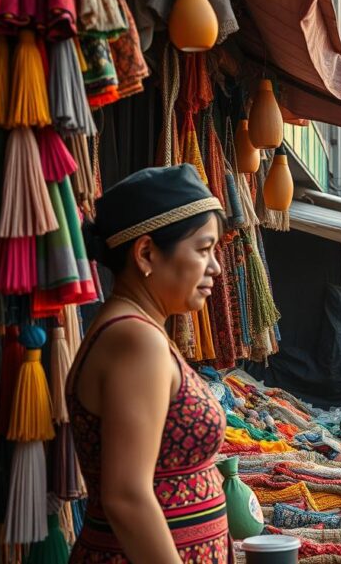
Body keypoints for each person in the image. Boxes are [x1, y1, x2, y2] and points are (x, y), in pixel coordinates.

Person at [66, 164, 229, 562]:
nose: (216, 268)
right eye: (204, 249)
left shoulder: (137, 331)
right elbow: (126, 496)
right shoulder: (137, 341)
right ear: (146, 253)